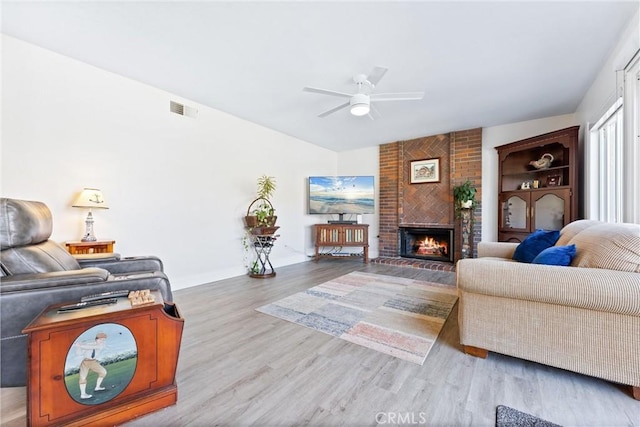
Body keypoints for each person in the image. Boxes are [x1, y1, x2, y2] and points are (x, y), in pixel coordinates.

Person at [74, 332, 108, 399]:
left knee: (103, 372)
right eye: (100, 339)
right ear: (96, 339)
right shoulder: (89, 344)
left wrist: (80, 345)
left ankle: (97, 387)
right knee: (83, 378)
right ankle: (83, 394)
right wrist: (78, 347)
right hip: (85, 362)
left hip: (93, 362)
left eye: (103, 340)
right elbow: (79, 353)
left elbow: (91, 347)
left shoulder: (100, 345)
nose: (102, 341)